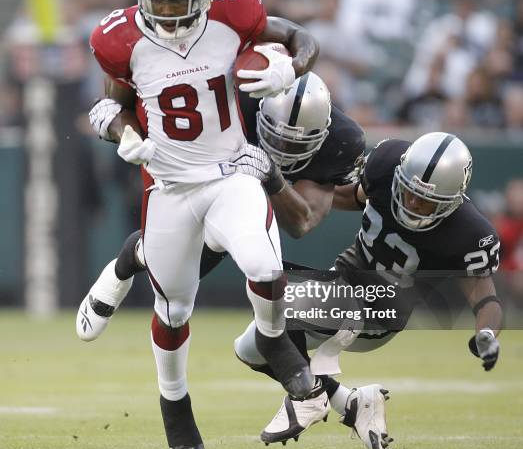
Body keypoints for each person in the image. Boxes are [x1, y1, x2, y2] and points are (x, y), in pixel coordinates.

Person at [85, 0, 322, 449]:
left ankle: (275, 341)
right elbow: (110, 103)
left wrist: (292, 69)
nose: (167, 17)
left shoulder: (235, 12)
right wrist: (120, 131)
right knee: (173, 310)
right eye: (158, 3)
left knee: (263, 263)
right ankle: (175, 405)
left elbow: (302, 37)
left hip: (229, 172)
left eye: (178, 4)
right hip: (168, 187)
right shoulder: (119, 38)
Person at [233, 132, 502, 449]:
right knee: (251, 346)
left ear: (453, 199)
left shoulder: (470, 233)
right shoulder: (386, 164)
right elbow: (353, 196)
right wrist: (286, 193)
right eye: (409, 192)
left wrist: (487, 332)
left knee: (278, 309)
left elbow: (485, 297)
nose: (413, 203)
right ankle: (352, 403)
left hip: (381, 311)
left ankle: (307, 398)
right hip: (343, 280)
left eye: (427, 200)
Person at [77, 71, 365, 341]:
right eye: (276, 137)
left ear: (323, 132)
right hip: (215, 171)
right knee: (171, 265)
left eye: (296, 144)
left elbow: (302, 221)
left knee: (256, 284)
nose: (283, 149)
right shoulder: (234, 103)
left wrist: (272, 175)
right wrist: (117, 120)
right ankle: (121, 270)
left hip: (268, 188)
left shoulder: (342, 142)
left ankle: (307, 379)